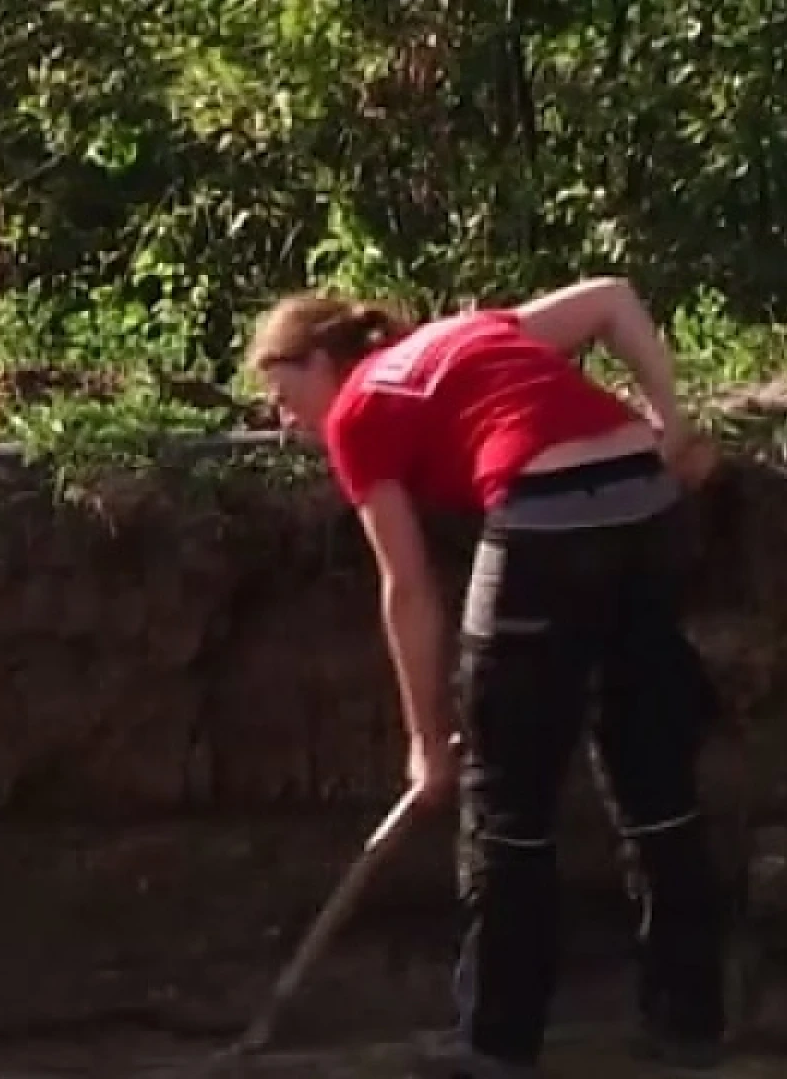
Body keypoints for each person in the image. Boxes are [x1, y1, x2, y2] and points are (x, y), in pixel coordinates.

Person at [245, 279, 730, 1078]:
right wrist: (669, 425)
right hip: (646, 508)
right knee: (654, 781)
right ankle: (690, 1025)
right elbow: (613, 298)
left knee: (506, 811)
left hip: (545, 518)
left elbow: (408, 589)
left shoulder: (357, 411)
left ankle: (498, 1045)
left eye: (279, 385)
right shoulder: (467, 333)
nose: (280, 414)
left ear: (323, 359)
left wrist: (428, 742)